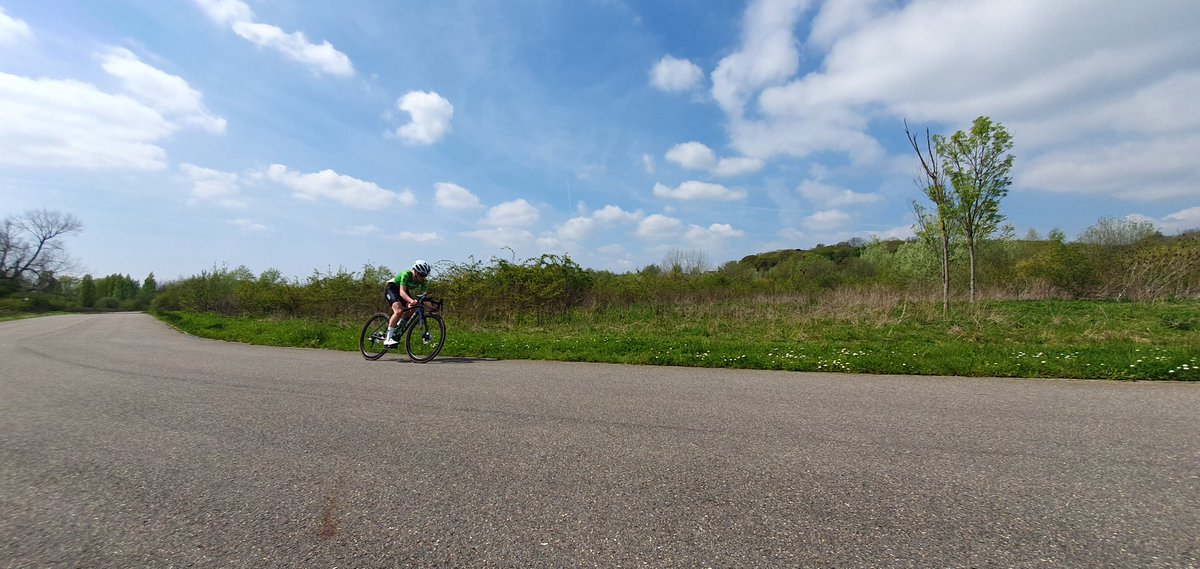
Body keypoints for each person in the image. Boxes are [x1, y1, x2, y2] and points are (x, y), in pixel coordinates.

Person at [383, 260, 431, 346]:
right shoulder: (406, 274)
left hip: (403, 291)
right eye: (422, 275)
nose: (423, 277)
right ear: (415, 272)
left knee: (413, 308)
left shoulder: (424, 281)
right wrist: (412, 301)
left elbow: (424, 298)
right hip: (392, 289)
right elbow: (402, 292)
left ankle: (399, 325)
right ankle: (388, 339)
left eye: (425, 275)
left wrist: (433, 308)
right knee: (398, 311)